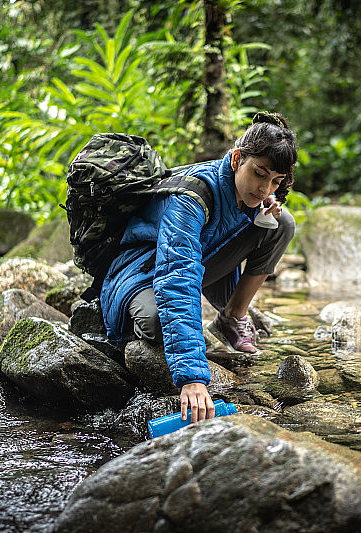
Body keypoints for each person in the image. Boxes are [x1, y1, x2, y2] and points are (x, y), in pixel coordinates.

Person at [100, 111, 298, 426]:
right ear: (236, 159)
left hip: (200, 258)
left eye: (274, 181)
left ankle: (232, 317)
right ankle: (123, 330)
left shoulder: (250, 194)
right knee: (154, 323)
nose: (265, 188)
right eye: (259, 174)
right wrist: (192, 376)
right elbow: (177, 277)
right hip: (142, 269)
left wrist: (260, 211)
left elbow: (216, 236)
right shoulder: (189, 198)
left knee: (281, 223)